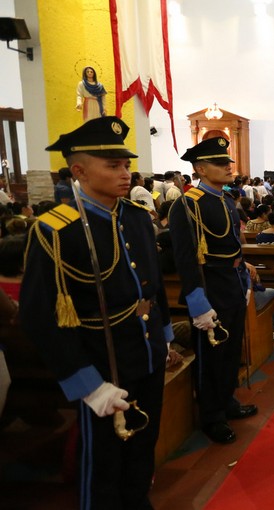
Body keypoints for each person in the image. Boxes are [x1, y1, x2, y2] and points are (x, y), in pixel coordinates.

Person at [20, 117, 173, 508]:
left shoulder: (136, 218)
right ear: (79, 171)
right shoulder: (57, 230)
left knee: (142, 446)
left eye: (126, 164)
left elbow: (152, 286)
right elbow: (41, 317)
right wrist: (87, 383)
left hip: (146, 354)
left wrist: (164, 337)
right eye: (113, 165)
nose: (125, 173)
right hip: (101, 362)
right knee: (103, 461)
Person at [168, 136, 257, 445]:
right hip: (209, 290)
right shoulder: (188, 204)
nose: (228, 167)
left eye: (227, 162)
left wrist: (244, 277)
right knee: (211, 356)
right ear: (201, 169)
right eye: (220, 163)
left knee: (231, 352)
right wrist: (197, 303)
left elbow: (233, 247)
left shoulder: (225, 199)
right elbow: (185, 258)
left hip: (232, 285)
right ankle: (212, 415)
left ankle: (227, 399)